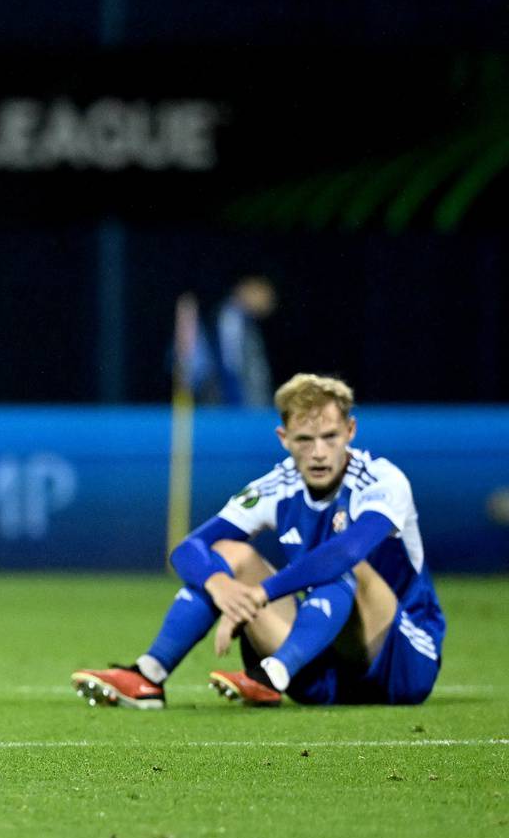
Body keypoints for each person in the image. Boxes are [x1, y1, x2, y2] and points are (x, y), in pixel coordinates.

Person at [73, 374, 443, 709]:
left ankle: (273, 674)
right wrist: (221, 587)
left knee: (344, 563)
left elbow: (345, 552)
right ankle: (149, 674)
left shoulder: (381, 481)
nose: (317, 452)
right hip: (322, 667)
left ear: (350, 430)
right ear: (284, 438)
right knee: (225, 555)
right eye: (304, 439)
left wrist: (262, 593)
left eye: (330, 437)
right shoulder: (278, 485)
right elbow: (187, 549)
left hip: (404, 661)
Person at [201, 276, 277, 407]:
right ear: (245, 290)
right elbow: (230, 363)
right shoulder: (230, 317)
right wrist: (239, 397)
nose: (268, 301)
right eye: (262, 293)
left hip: (245, 396)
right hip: (234, 398)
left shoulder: (245, 321)